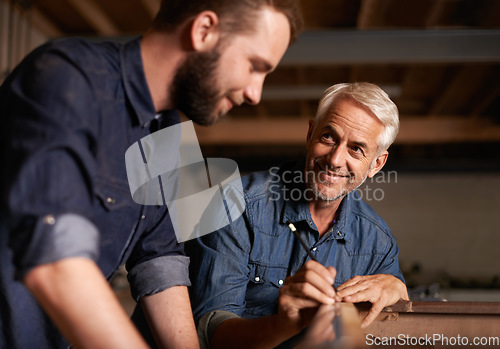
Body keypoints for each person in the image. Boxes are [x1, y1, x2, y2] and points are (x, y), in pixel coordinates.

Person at [0, 0, 303, 348]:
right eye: (255, 66)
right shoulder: (66, 78)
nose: (255, 94)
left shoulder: (168, 130)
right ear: (203, 31)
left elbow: (159, 259)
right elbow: (56, 258)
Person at [188, 82, 409, 348]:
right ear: (310, 134)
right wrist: (282, 325)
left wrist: (399, 289)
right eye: (328, 137)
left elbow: (394, 322)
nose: (335, 159)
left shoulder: (378, 242)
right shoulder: (235, 206)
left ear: (377, 164)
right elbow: (212, 334)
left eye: (356, 148)